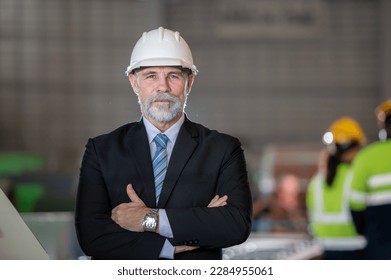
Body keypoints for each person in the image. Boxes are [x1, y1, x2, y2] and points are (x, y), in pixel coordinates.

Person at [74, 27, 252, 260]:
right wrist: (170, 244)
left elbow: (235, 225)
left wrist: (148, 219)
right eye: (151, 76)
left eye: (173, 76)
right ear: (134, 83)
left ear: (189, 82)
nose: (163, 87)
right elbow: (91, 236)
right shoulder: (102, 150)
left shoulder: (222, 149)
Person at [306, 117, 367, 259]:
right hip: (356, 248)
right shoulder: (357, 176)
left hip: (324, 249)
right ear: (355, 146)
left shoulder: (316, 181)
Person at [348, 99, 391, 259]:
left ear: (383, 127)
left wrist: (366, 231)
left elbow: (356, 204)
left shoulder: (366, 157)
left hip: (379, 240)